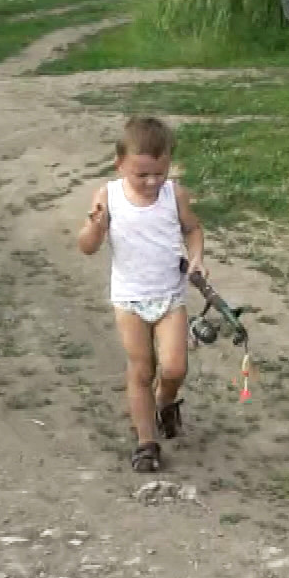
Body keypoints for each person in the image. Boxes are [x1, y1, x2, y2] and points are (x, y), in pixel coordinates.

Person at [76, 115, 205, 474]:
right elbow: (86, 247)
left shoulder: (173, 194)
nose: (151, 182)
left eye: (158, 173)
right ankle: (146, 443)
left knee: (175, 367)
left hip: (170, 297)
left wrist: (196, 258)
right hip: (130, 299)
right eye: (141, 174)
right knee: (141, 369)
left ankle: (165, 402)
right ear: (120, 164)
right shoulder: (108, 196)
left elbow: (193, 230)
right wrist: (95, 227)